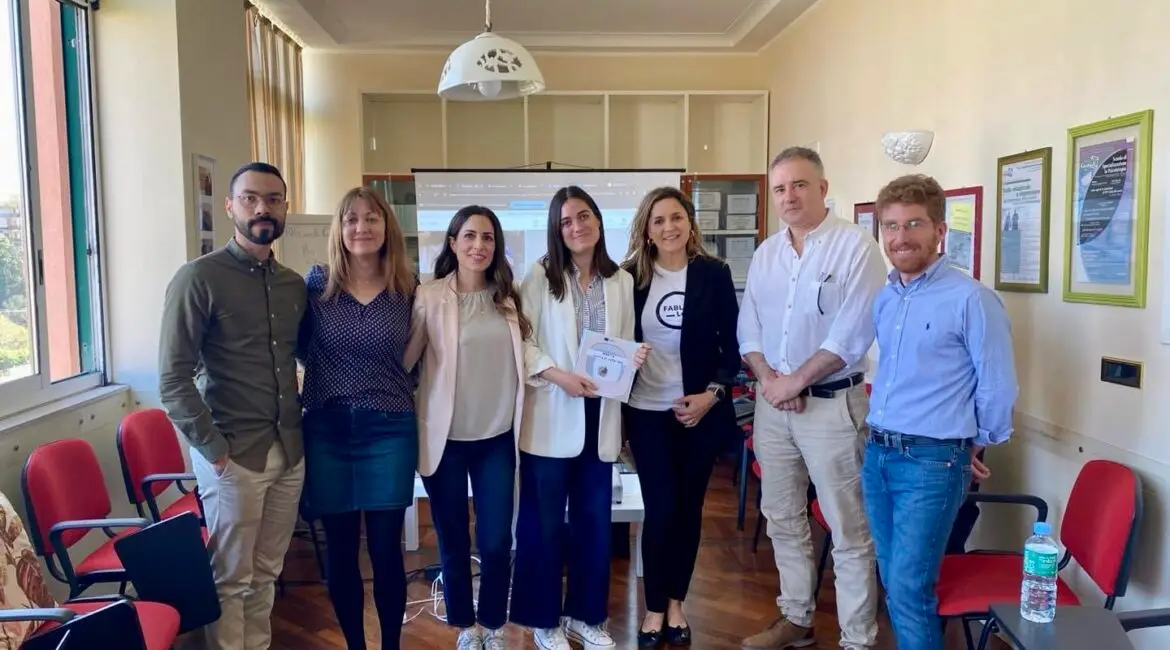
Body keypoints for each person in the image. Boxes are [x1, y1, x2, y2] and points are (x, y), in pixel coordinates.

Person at [737, 147, 886, 650]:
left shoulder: (856, 247)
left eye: (799, 185)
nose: (789, 196)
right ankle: (796, 619)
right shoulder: (767, 253)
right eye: (780, 188)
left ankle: (857, 638)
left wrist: (794, 382)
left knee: (848, 528)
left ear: (823, 188)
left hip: (832, 408)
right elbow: (749, 328)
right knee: (782, 517)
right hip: (773, 406)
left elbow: (852, 334)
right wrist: (772, 381)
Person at [863, 174, 1017, 650]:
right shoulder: (887, 298)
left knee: (910, 588)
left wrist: (974, 444)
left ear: (939, 231)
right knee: (893, 580)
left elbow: (998, 385)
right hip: (878, 454)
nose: (900, 237)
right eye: (891, 226)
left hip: (932, 462)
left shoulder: (971, 298)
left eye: (914, 224)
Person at [159, 161, 305, 650]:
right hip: (233, 454)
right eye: (251, 198)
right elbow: (172, 379)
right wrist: (215, 451)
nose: (263, 208)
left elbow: (303, 357)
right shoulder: (198, 278)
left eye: (273, 199)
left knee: (267, 572)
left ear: (285, 207)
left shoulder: (292, 285)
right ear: (229, 207)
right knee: (231, 577)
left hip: (289, 451)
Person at [509, 185, 647, 650]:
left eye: (584, 216)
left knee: (594, 523)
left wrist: (633, 357)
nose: (576, 227)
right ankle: (543, 620)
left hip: (601, 415)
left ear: (598, 221)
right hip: (551, 411)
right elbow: (522, 341)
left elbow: (622, 343)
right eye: (566, 221)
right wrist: (558, 375)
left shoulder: (621, 281)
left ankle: (587, 617)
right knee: (542, 525)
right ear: (556, 229)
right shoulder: (540, 276)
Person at [298, 186, 418, 650]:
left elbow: (421, 355)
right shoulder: (317, 284)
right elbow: (296, 346)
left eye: (371, 218)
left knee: (386, 550)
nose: (361, 227)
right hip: (326, 429)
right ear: (339, 228)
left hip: (389, 428)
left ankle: (390, 646)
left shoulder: (407, 289)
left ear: (387, 226)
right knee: (341, 549)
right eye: (351, 219)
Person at [404, 206, 530, 650]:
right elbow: (406, 362)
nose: (479, 245)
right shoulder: (429, 296)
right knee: (453, 539)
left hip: (496, 438)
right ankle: (465, 626)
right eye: (470, 236)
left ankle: (493, 624)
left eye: (488, 238)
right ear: (453, 243)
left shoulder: (509, 297)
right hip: (446, 441)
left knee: (496, 541)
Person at [620, 187, 741, 647]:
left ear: (690, 223)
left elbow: (731, 347)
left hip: (699, 413)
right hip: (647, 413)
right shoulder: (628, 278)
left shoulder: (714, 274)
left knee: (689, 511)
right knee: (661, 509)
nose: (669, 227)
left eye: (676, 217)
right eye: (658, 220)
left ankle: (676, 604)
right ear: (647, 230)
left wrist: (711, 394)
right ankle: (654, 606)